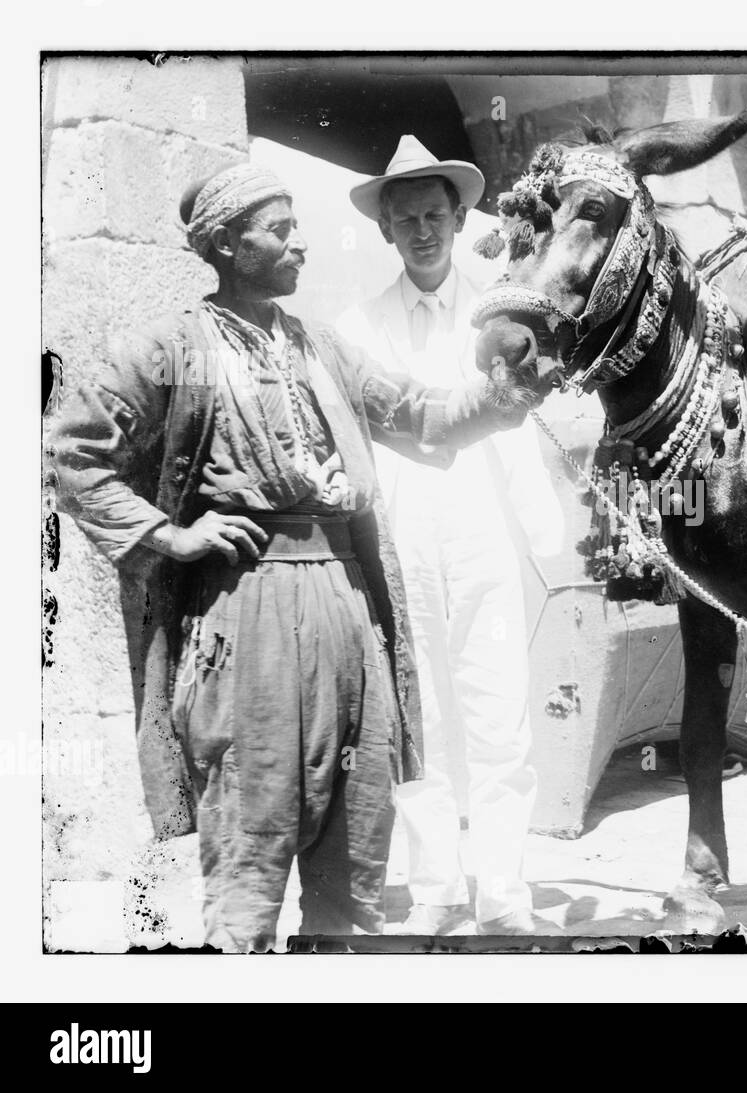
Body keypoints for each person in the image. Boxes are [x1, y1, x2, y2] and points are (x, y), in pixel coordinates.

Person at [44, 162, 524, 952]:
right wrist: (169, 536)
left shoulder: (320, 345)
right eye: (281, 230)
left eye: (299, 227)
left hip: (346, 605)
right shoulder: (172, 348)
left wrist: (506, 395)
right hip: (247, 612)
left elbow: (418, 414)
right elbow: (71, 449)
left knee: (356, 818)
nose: (303, 244)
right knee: (253, 823)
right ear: (229, 245)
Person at [337, 135, 562, 936]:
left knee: (499, 713)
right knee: (418, 714)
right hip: (400, 537)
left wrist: (552, 552)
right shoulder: (355, 327)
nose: (423, 231)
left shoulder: (496, 314)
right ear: (387, 232)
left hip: (480, 530)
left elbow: (521, 432)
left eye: (435, 214)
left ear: (461, 218)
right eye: (407, 221)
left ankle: (502, 888)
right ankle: (434, 884)